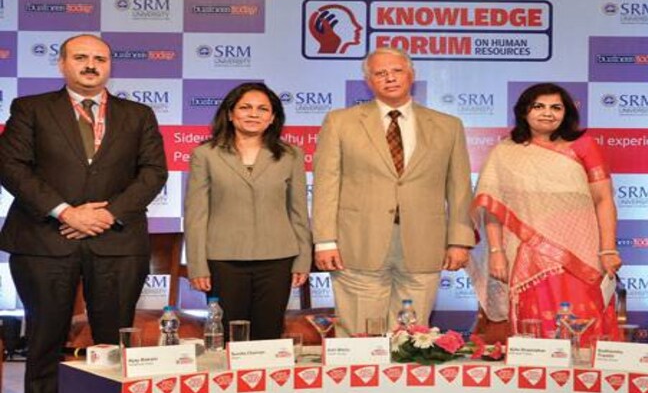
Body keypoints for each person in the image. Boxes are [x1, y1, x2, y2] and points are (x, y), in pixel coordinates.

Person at [0, 34, 168, 393]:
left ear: (110, 65)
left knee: (113, 339)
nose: (91, 65)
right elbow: (11, 167)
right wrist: (65, 212)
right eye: (81, 58)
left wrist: (105, 214)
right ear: (62, 65)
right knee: (45, 338)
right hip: (44, 240)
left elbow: (153, 173)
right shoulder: (30, 109)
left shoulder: (138, 114)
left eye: (100, 58)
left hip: (116, 240)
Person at [312, 47, 475, 334]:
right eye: (380, 73)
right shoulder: (340, 122)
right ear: (369, 81)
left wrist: (459, 241)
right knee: (360, 336)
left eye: (397, 71)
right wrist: (324, 240)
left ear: (411, 75)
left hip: (425, 243)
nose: (389, 78)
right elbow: (326, 183)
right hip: (358, 241)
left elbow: (460, 188)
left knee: (412, 339)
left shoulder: (449, 126)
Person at [469, 83, 621, 343]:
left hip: (579, 254)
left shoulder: (584, 146)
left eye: (556, 107)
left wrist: (608, 249)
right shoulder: (504, 153)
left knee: (583, 319)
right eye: (538, 106)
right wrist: (496, 252)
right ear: (524, 112)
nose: (547, 113)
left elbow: (604, 200)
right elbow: (494, 209)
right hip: (526, 254)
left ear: (567, 113)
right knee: (535, 325)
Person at [184, 82, 311, 341]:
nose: (254, 114)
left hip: (278, 260)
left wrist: (303, 259)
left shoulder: (291, 155)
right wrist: (197, 265)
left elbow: (298, 211)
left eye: (263, 109)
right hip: (223, 261)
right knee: (229, 337)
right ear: (230, 113)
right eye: (246, 107)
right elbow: (196, 214)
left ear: (273, 117)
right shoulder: (205, 154)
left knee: (269, 336)